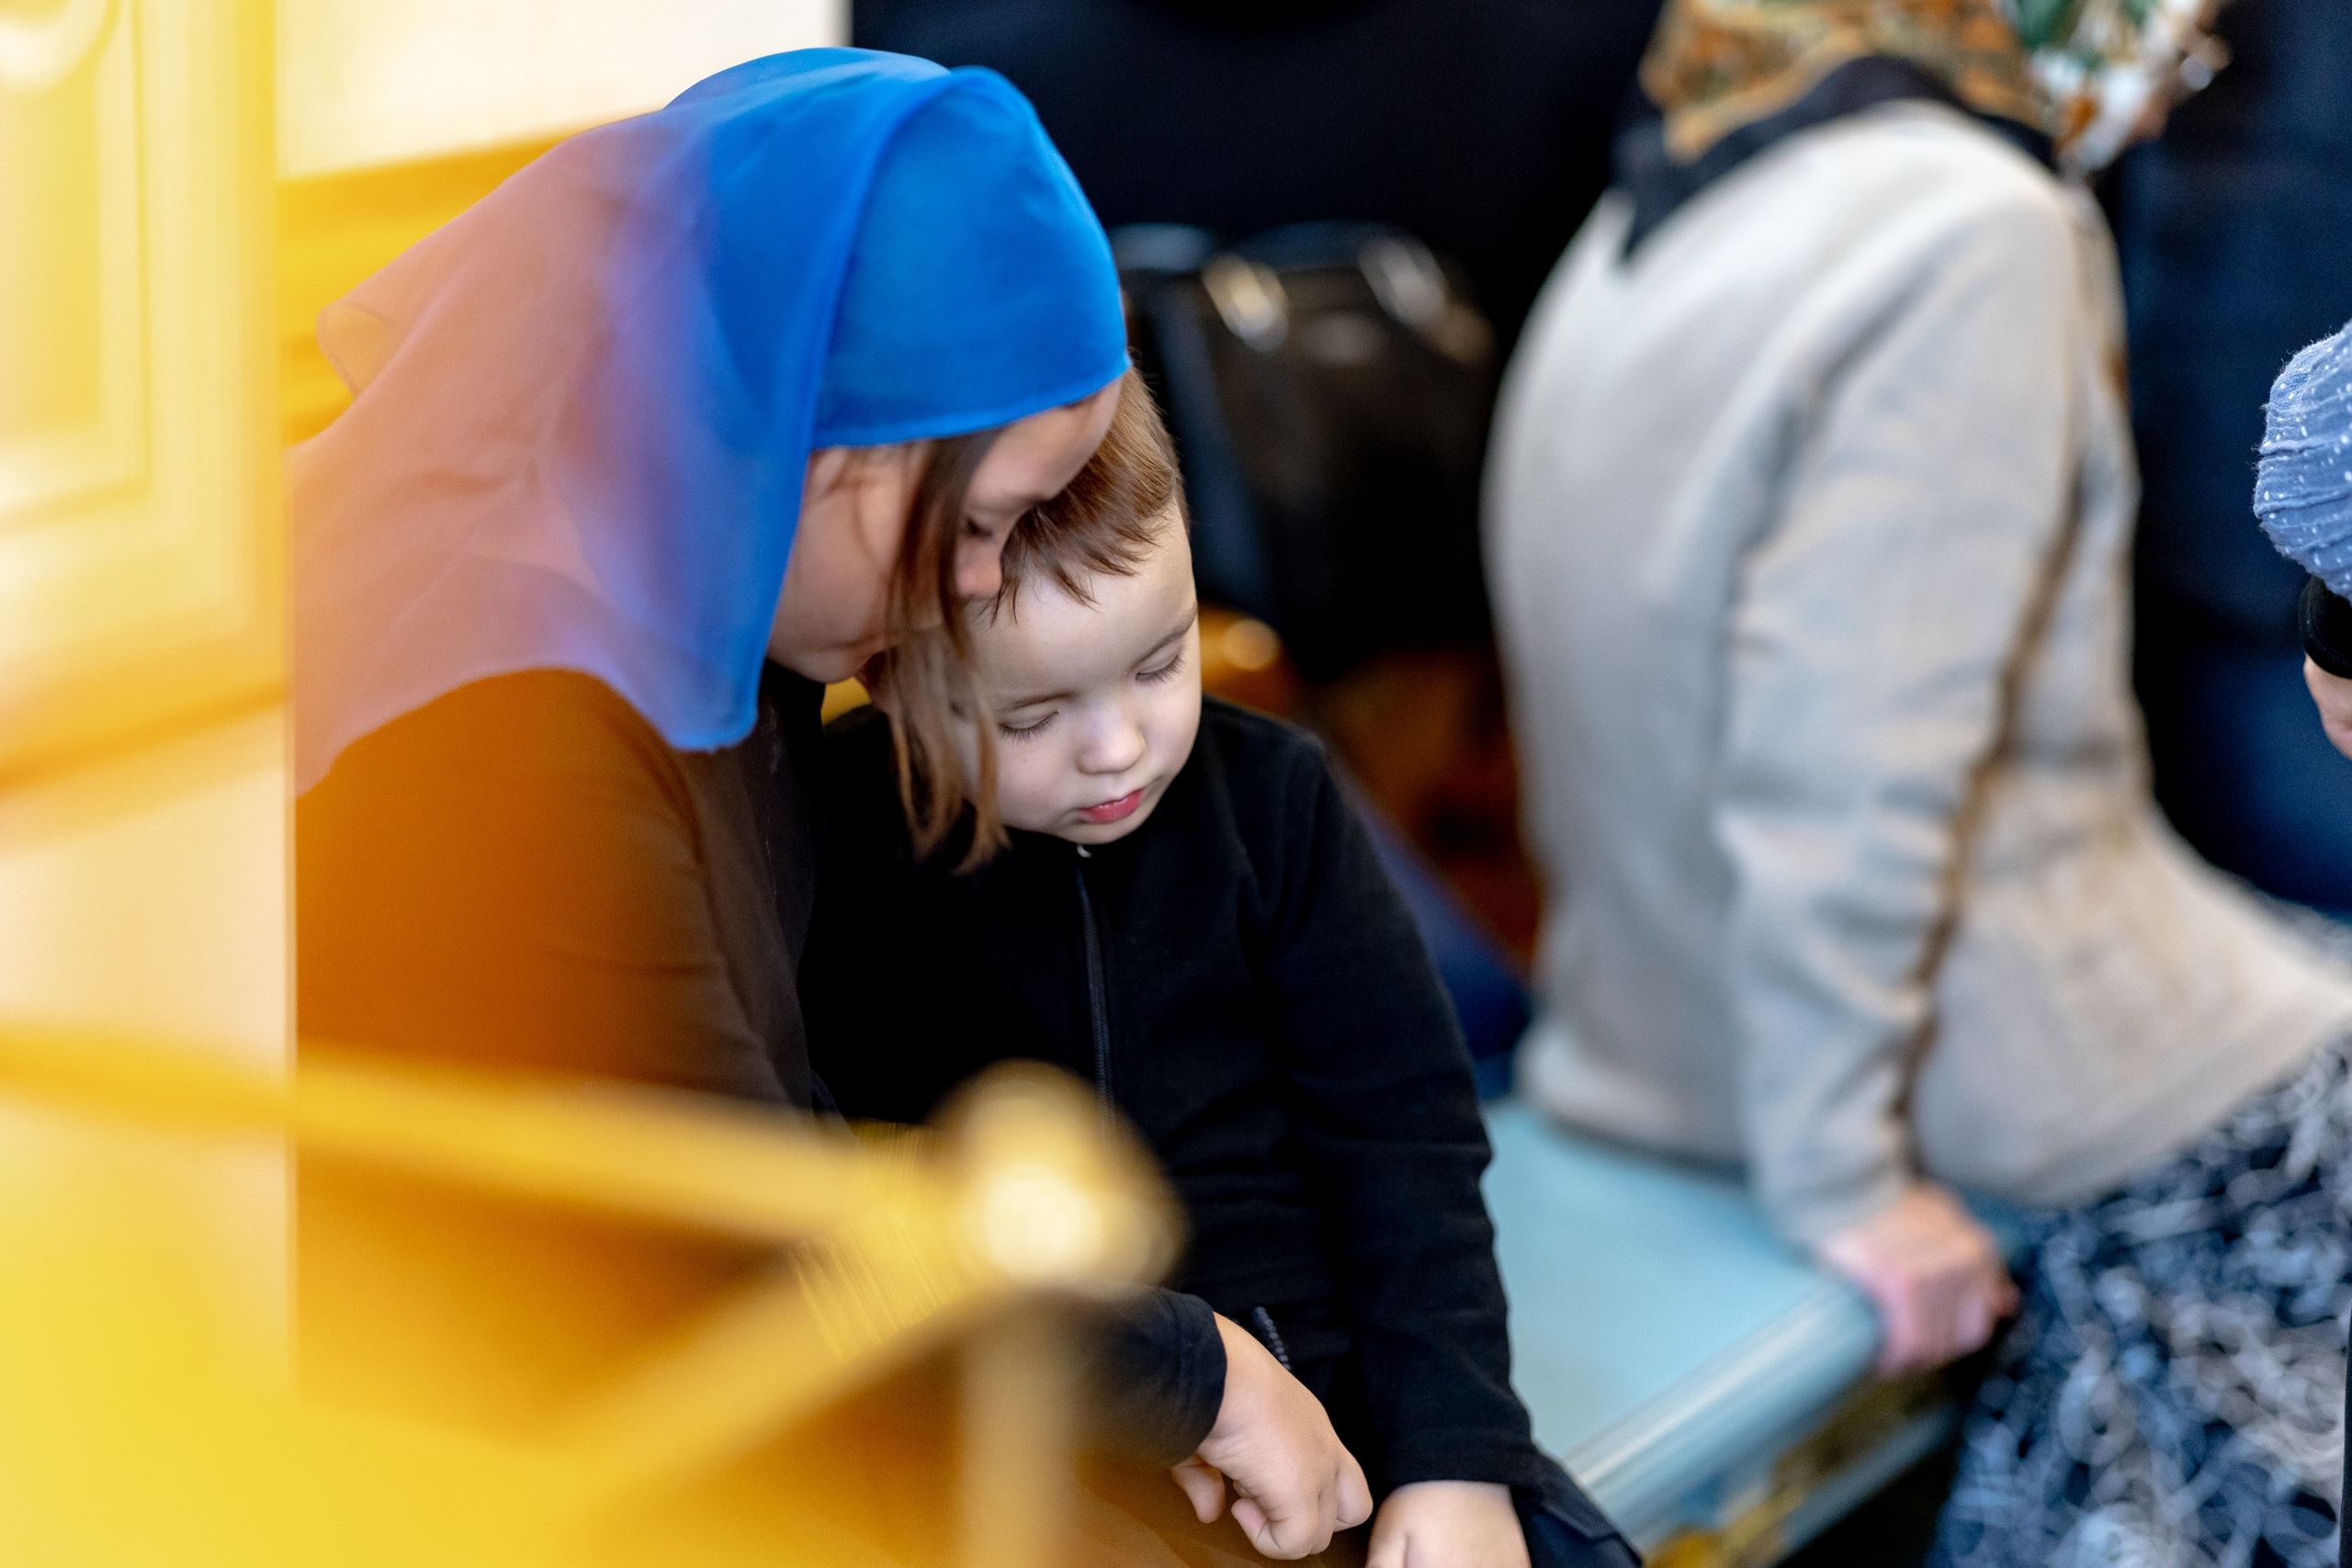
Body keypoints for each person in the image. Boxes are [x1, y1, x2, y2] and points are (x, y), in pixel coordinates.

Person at [291, 48, 1360, 1556]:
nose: (978, 588)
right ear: (824, 444)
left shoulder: (722, 599)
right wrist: (1195, 1373)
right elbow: (742, 1237)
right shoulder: (510, 739)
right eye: (980, 522)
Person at [1485, 2, 2352, 1562]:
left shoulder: (1677, 184)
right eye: (2169, 33)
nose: (2172, 82)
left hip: (1650, 1037)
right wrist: (1842, 1178)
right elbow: (1848, 773)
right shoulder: (1978, 228)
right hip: (1950, 1068)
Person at [801, 389, 1634, 1568]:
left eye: (1160, 662)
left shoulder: (1277, 806)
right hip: (1046, 1422)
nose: (1118, 748)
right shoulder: (835, 841)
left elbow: (1407, 1144)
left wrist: (1455, 1457)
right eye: (1028, 719)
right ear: (884, 675)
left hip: (1332, 1387)